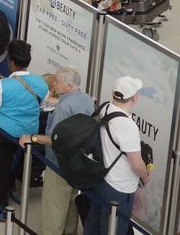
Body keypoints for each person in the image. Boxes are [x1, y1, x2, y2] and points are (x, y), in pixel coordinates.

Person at [25, 66, 94, 235]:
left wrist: (33, 138)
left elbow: (54, 140)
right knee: (71, 203)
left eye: (57, 81)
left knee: (54, 207)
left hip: (59, 164)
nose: (53, 84)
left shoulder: (64, 108)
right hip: (78, 165)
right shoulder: (86, 100)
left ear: (69, 86)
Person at [0, 40, 46, 216]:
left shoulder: (0, 85)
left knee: (1, 167)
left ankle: (0, 207)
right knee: (18, 162)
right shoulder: (41, 83)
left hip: (2, 133)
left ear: (11, 62)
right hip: (28, 133)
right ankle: (13, 186)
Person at [84, 75, 147, 235]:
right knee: (113, 230)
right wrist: (145, 175)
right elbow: (137, 164)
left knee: (93, 224)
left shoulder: (105, 109)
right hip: (120, 188)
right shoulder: (127, 125)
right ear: (134, 98)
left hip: (101, 179)